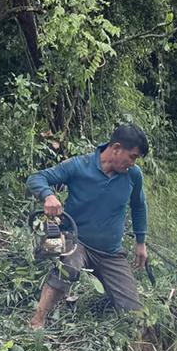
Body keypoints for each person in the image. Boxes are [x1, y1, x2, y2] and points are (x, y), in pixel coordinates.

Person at [26, 123, 150, 328]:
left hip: (110, 252)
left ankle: (134, 339)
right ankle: (37, 321)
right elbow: (37, 178)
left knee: (134, 311)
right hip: (77, 241)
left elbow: (139, 206)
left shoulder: (133, 175)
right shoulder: (79, 165)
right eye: (132, 156)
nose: (133, 163)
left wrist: (141, 242)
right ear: (116, 148)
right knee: (68, 267)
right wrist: (48, 196)